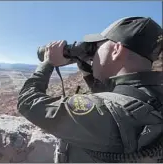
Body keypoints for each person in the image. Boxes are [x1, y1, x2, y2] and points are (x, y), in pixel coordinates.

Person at [17, 16, 163, 162]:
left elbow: (29, 102)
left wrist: (48, 62)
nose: (93, 56)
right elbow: (110, 95)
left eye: (97, 47)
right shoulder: (151, 98)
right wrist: (85, 63)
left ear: (117, 49)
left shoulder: (104, 110)